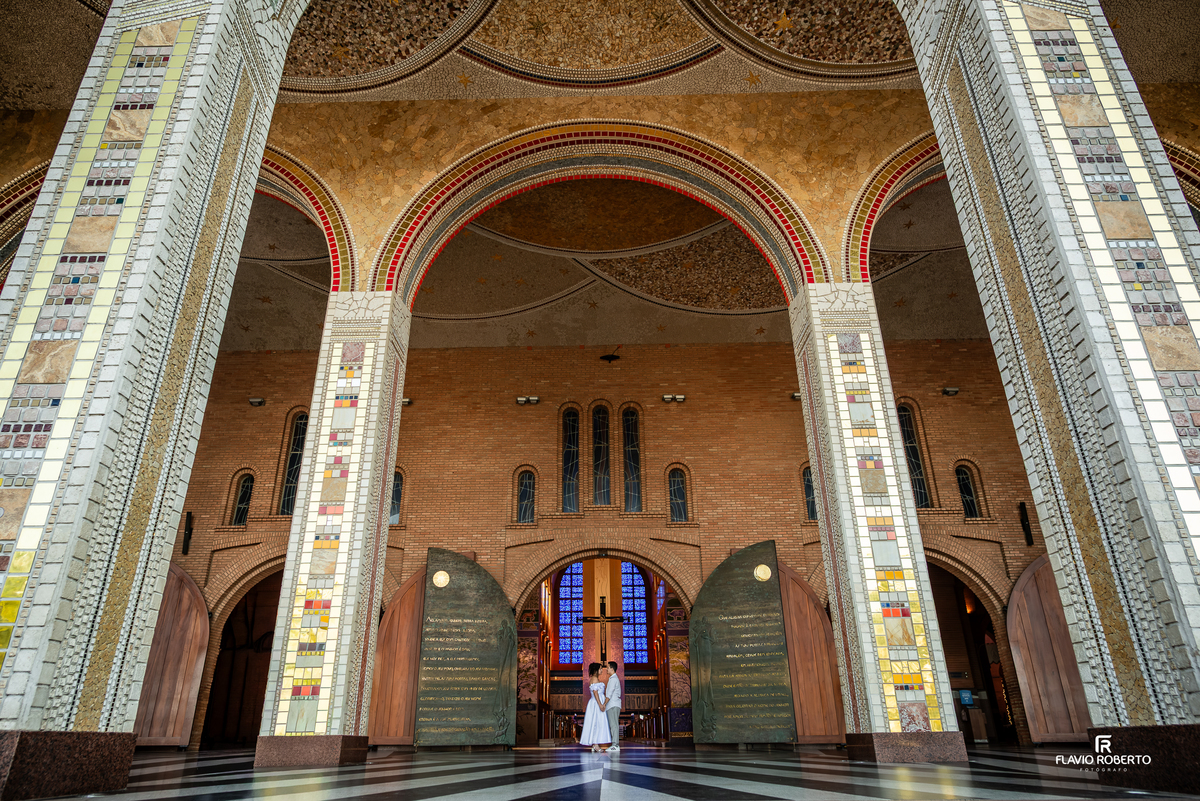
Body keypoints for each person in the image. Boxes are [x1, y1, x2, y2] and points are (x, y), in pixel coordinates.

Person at [579, 662, 611, 752]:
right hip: (596, 704)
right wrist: (600, 704)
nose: (602, 670)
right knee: (596, 723)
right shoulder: (594, 679)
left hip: (597, 702)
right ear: (596, 670)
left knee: (598, 723)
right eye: (600, 669)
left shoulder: (596, 678)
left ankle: (595, 743)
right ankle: (595, 744)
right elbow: (595, 693)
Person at [603, 660, 622, 752]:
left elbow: (609, 694)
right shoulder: (613, 678)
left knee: (614, 725)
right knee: (613, 725)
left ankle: (615, 745)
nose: (606, 669)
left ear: (612, 668)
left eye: (608, 667)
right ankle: (614, 744)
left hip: (613, 705)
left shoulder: (613, 679)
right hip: (613, 704)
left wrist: (604, 704)